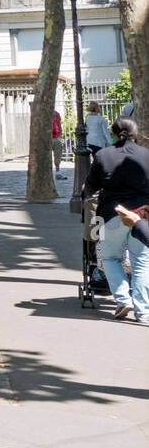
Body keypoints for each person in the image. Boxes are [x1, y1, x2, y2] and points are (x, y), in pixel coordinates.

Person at [83, 117, 149, 322]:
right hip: (141, 214)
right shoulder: (147, 155)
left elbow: (90, 186)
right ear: (136, 134)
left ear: (113, 133)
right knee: (142, 261)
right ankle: (143, 311)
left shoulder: (102, 155)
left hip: (109, 214)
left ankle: (123, 299)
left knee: (110, 258)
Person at [52, 110, 65, 178]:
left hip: (57, 137)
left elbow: (59, 125)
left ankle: (58, 173)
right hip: (48, 138)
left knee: (58, 156)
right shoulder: (43, 113)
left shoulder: (56, 113)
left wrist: (60, 136)